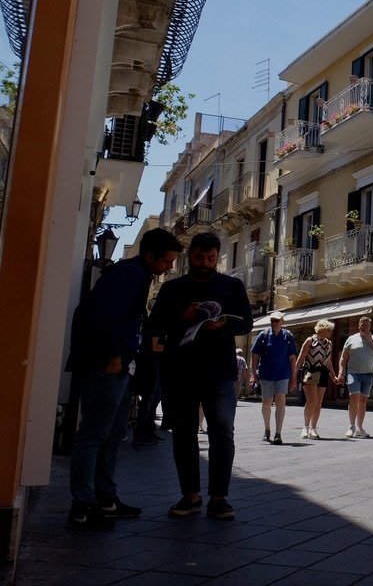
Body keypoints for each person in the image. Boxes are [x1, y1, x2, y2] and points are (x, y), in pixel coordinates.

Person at [66, 227, 182, 530]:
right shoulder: (129, 275)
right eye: (166, 261)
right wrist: (115, 356)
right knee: (93, 434)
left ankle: (105, 497)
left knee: (113, 435)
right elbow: (106, 317)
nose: (169, 267)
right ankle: (83, 505)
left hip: (119, 366)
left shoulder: (135, 275)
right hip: (107, 366)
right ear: (149, 256)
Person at [148, 232, 253, 521]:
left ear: (217, 257)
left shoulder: (231, 286)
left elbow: (246, 323)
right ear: (189, 256)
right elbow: (153, 325)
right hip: (180, 370)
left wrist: (222, 325)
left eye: (210, 258)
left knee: (222, 433)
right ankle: (190, 496)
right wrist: (182, 316)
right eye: (199, 257)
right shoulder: (172, 289)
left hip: (219, 372)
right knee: (183, 434)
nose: (204, 263)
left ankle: (219, 498)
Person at [250, 310, 297, 445]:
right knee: (267, 402)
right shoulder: (263, 335)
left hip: (282, 374)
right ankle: (267, 429)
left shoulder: (288, 336)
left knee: (280, 399)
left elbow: (292, 358)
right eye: (272, 321)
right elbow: (255, 356)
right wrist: (254, 374)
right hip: (266, 374)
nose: (274, 323)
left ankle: (278, 433)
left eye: (277, 320)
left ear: (282, 322)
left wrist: (293, 377)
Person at [339, 315, 373, 438]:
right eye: (362, 325)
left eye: (367, 326)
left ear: (370, 327)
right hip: (353, 373)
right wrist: (341, 371)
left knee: (363, 400)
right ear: (359, 326)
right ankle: (351, 426)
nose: (364, 327)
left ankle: (359, 428)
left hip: (368, 374)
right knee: (354, 397)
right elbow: (343, 357)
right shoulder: (351, 339)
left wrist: (370, 341)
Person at [295, 319, 338, 438]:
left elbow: (328, 361)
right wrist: (294, 374)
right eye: (329, 330)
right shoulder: (310, 340)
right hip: (310, 370)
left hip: (323, 372)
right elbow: (301, 357)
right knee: (312, 400)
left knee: (318, 402)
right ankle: (305, 427)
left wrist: (333, 376)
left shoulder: (329, 343)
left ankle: (313, 428)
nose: (330, 332)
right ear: (323, 329)